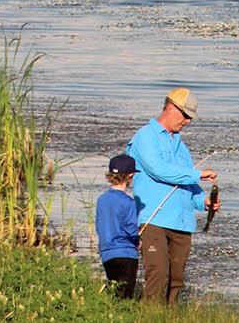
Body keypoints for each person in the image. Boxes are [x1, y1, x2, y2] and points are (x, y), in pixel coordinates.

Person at [127, 86, 222, 304]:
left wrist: (204, 202)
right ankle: (151, 316)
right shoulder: (145, 137)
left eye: (190, 117)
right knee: (158, 273)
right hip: (154, 219)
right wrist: (197, 174)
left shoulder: (181, 146)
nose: (187, 121)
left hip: (182, 221)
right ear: (170, 107)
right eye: (185, 115)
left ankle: (168, 315)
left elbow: (187, 184)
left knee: (176, 280)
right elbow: (158, 170)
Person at [95, 153, 140, 299]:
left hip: (107, 253)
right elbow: (130, 228)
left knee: (115, 292)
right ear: (130, 176)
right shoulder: (128, 202)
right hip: (126, 253)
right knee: (125, 296)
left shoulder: (102, 200)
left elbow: (99, 226)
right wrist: (138, 241)